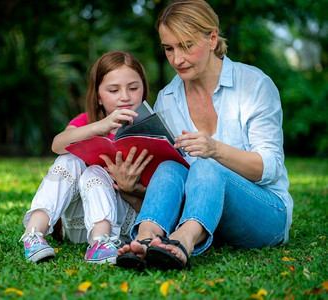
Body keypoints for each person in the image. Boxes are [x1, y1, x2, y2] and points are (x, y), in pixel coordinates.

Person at [116, 0, 293, 271]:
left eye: (186, 45)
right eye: (168, 48)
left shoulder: (254, 85)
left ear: (212, 38)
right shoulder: (168, 97)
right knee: (168, 166)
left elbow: (269, 168)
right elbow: (179, 178)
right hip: (205, 211)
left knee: (208, 165)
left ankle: (183, 241)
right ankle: (146, 237)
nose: (177, 59)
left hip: (265, 212)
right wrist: (133, 188)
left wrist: (215, 150)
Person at [19, 50, 153, 264]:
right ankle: (34, 234)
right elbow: (57, 145)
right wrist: (100, 126)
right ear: (98, 96)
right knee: (69, 158)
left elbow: (156, 203)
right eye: (113, 90)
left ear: (143, 89)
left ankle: (100, 242)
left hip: (122, 225)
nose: (125, 96)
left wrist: (130, 188)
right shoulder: (87, 122)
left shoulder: (152, 130)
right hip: (79, 221)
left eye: (133, 88)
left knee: (94, 171)